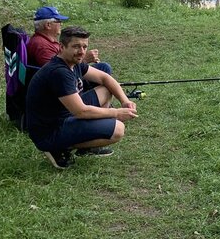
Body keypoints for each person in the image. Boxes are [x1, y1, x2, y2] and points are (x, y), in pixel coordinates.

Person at [25, 25, 138, 169]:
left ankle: (87, 143)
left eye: (85, 47)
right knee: (118, 130)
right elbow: (81, 112)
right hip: (50, 131)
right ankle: (58, 148)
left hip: (65, 113)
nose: (82, 52)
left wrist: (125, 100)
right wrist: (116, 113)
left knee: (105, 89)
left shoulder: (74, 62)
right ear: (61, 47)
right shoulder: (59, 72)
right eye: (76, 46)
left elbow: (105, 78)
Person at [27, 6, 111, 76]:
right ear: (48, 25)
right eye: (58, 21)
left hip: (67, 76)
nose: (61, 24)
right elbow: (56, 72)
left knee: (103, 69)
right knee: (104, 68)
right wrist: (83, 58)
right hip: (62, 85)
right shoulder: (42, 46)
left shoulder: (46, 40)